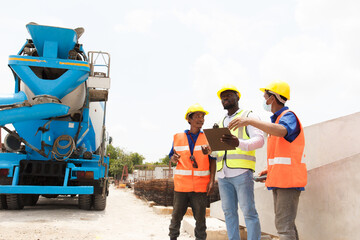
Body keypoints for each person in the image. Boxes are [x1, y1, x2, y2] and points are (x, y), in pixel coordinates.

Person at [228, 80, 307, 240]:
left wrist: (250, 121)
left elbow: (283, 131)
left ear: (273, 98)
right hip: (280, 180)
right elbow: (282, 155)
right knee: (287, 226)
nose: (264, 99)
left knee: (284, 228)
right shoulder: (276, 121)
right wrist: (270, 171)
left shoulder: (288, 117)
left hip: (288, 182)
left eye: (266, 96)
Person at [214, 84, 264, 240]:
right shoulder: (220, 120)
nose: (225, 98)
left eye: (229, 95)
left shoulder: (248, 115)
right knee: (229, 213)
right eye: (223, 96)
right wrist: (208, 150)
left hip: (242, 172)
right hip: (223, 175)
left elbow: (260, 140)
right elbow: (218, 150)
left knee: (249, 212)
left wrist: (239, 143)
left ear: (238, 97)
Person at [168, 103, 216, 240]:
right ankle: (173, 237)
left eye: (202, 116)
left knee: (200, 221)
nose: (201, 119)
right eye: (197, 116)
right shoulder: (177, 137)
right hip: (181, 187)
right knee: (176, 217)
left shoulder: (208, 137)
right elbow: (171, 156)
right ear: (189, 119)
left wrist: (212, 181)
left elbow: (213, 159)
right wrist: (174, 158)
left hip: (200, 187)